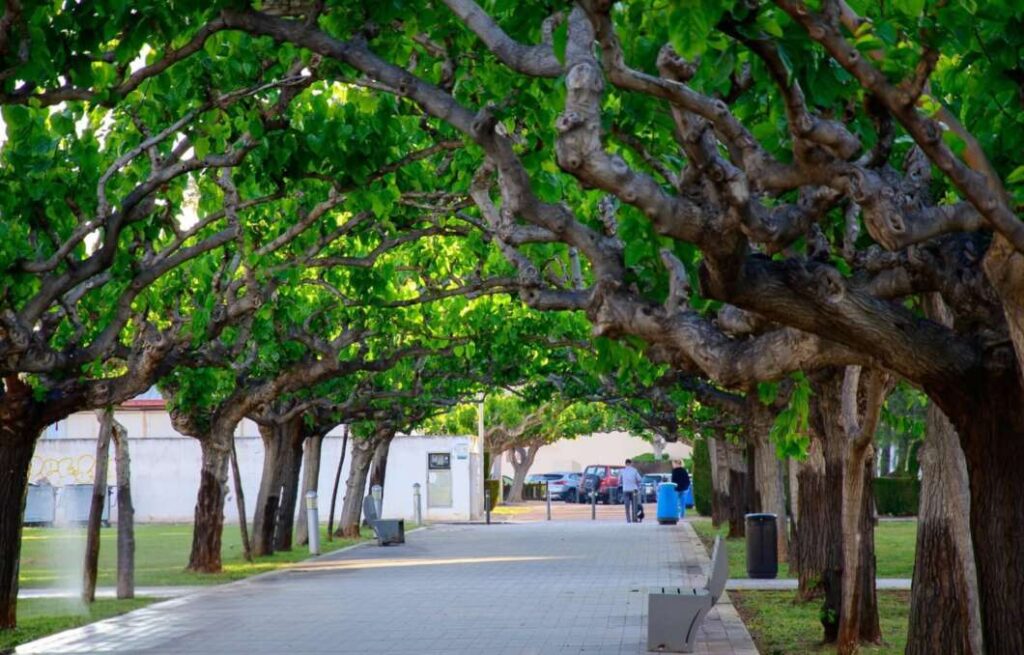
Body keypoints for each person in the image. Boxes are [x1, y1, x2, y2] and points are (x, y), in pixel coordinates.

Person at [621, 459, 644, 523]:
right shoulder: (634, 470)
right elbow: (639, 479)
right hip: (634, 490)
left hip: (625, 490)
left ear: (625, 464)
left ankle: (628, 520)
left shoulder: (622, 471)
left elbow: (619, 480)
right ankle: (634, 519)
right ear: (630, 463)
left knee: (627, 505)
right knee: (634, 505)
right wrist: (635, 481)